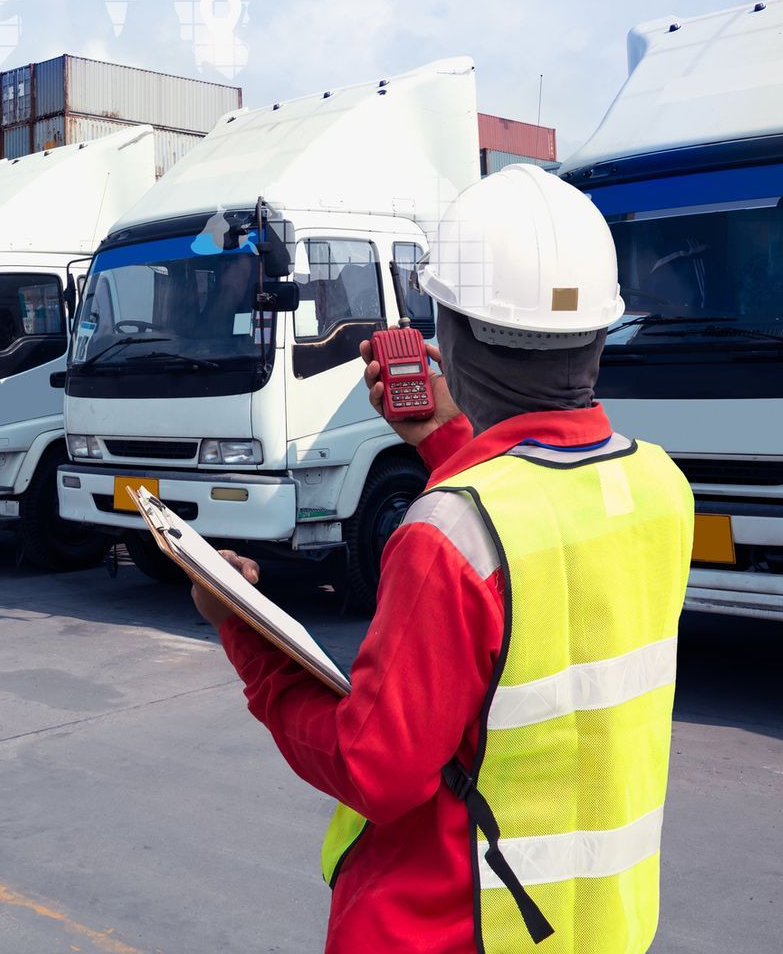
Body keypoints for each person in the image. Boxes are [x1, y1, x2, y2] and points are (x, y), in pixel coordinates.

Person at [192, 163, 694, 953]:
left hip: (450, 930)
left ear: (449, 336)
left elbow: (376, 770)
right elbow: (544, 537)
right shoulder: (660, 489)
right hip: (594, 929)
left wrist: (249, 641)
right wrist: (447, 443)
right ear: (600, 331)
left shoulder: (444, 538)